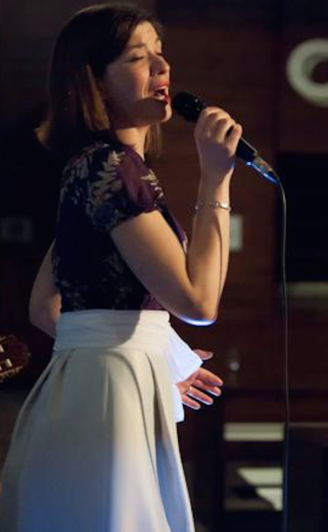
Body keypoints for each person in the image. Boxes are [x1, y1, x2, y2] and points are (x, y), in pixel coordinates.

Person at [0, 4, 241, 531]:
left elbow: (47, 307)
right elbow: (199, 302)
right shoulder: (111, 169)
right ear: (95, 82)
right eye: (137, 56)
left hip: (95, 387)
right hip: (112, 396)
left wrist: (162, 357)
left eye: (160, 52)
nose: (162, 67)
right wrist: (216, 179)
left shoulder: (90, 166)